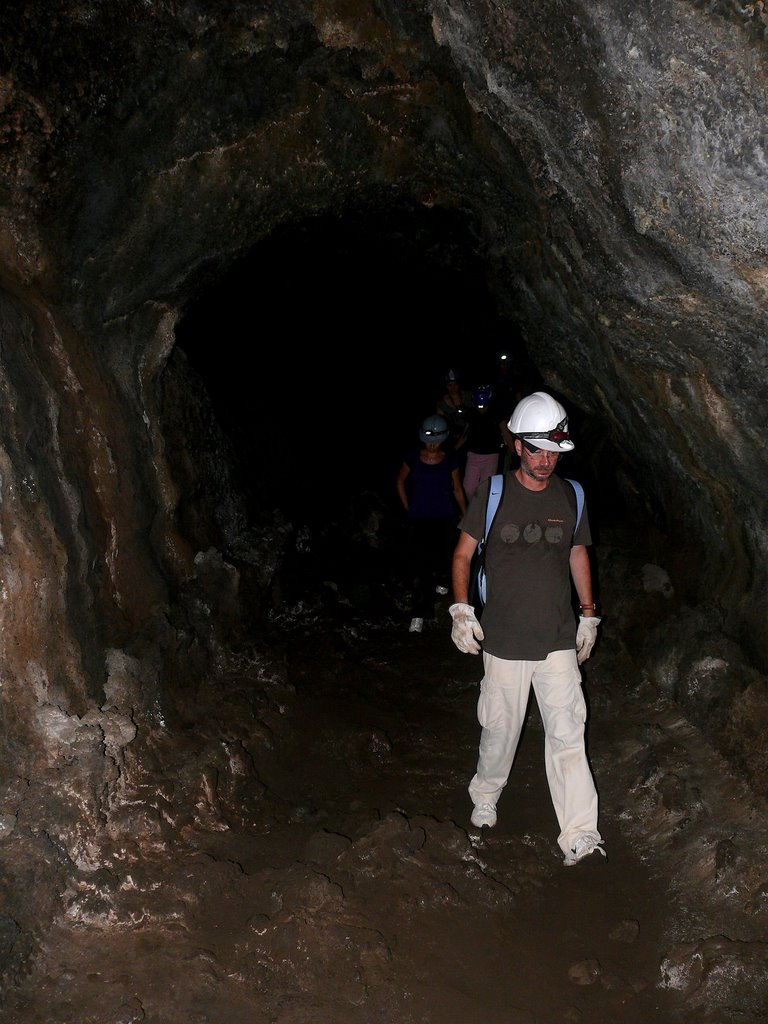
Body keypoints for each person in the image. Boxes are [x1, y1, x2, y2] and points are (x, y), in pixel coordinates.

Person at [448, 391, 605, 866]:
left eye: (553, 451)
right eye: (536, 449)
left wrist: (589, 612)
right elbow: (461, 554)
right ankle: (486, 793)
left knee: (567, 732)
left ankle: (579, 831)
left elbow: (578, 552)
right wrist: (460, 609)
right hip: (504, 638)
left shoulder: (572, 495)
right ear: (517, 445)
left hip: (556, 636)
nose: (545, 460)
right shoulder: (492, 493)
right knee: (500, 730)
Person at [397, 414, 467, 634]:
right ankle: (419, 613)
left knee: (445, 555)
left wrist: (465, 514)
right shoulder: (413, 457)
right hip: (419, 519)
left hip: (444, 516)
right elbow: (400, 480)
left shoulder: (450, 459)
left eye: (436, 440)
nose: (432, 445)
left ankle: (443, 577)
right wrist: (408, 507)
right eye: (429, 440)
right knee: (421, 566)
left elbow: (457, 487)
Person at [462, 384, 503, 500]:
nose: (481, 408)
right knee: (468, 487)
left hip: (491, 455)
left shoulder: (496, 413)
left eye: (484, 405)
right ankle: (473, 508)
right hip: (473, 455)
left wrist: (515, 450)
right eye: (479, 405)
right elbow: (464, 434)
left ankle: (483, 512)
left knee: (486, 487)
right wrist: (453, 449)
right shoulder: (471, 413)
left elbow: (505, 432)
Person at [436, 369, 474, 467]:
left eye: (455, 384)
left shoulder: (469, 396)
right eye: (450, 385)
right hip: (452, 440)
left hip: (470, 438)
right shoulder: (441, 403)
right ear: (445, 386)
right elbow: (441, 426)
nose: (453, 388)